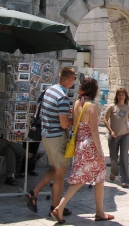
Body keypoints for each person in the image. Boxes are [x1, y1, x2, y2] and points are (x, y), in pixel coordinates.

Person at [51, 77, 114, 224]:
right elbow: (93, 129)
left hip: (80, 143)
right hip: (90, 145)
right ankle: (60, 208)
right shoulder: (92, 106)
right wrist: (99, 151)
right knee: (82, 178)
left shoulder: (78, 103)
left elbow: (77, 126)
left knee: (99, 177)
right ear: (94, 89)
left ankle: (100, 212)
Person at [24, 67, 75, 216]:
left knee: (54, 169)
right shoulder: (63, 97)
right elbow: (64, 123)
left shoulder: (49, 91)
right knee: (60, 174)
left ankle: (33, 193)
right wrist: (75, 119)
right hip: (57, 138)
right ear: (69, 79)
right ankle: (55, 208)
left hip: (46, 136)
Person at [104, 87, 129, 188]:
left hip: (125, 135)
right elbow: (105, 120)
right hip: (113, 135)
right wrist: (111, 131)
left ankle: (125, 180)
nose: (121, 96)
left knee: (124, 157)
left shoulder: (128, 108)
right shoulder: (112, 107)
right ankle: (114, 172)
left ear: (125, 96)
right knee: (113, 157)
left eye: (122, 94)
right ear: (117, 96)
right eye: (119, 94)